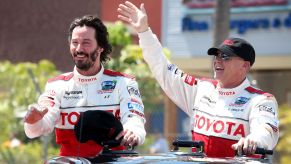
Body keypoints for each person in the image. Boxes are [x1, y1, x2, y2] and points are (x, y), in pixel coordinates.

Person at [117, 1, 279, 157]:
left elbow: (266, 130)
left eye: (225, 57)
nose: (217, 61)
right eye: (216, 56)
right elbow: (163, 69)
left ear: (245, 66)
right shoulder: (202, 88)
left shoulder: (261, 100)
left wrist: (254, 139)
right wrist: (144, 32)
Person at [23, 15, 146, 158]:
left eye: (86, 43)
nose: (79, 49)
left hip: (114, 160)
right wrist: (34, 121)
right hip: (70, 161)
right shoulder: (56, 85)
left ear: (100, 47)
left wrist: (133, 132)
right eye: (75, 42)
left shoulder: (124, 82)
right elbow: (41, 126)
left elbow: (134, 119)